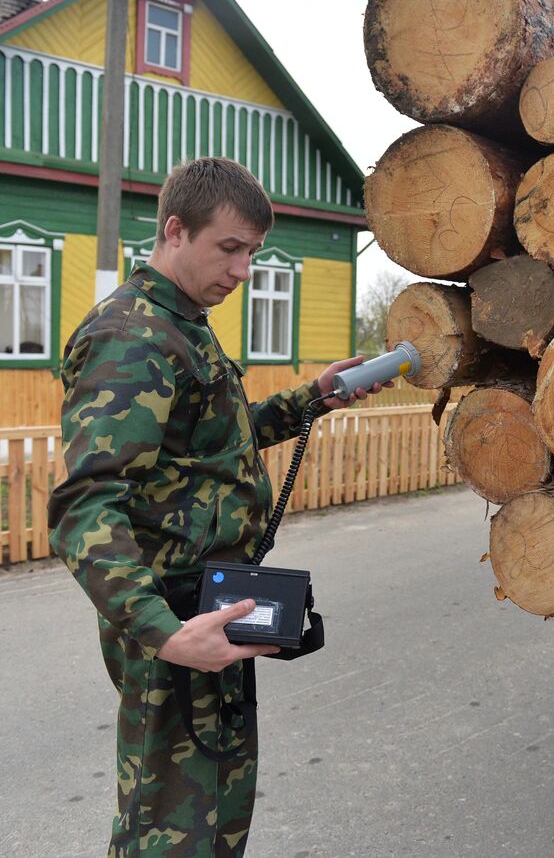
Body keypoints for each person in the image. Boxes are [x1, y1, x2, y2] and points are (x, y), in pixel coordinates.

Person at [48, 157, 386, 856]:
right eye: (229, 249)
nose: (242, 270)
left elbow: (209, 447)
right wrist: (165, 634)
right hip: (172, 616)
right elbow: (87, 505)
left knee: (215, 812)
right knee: (168, 827)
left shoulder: (183, 322)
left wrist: (314, 396)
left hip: (211, 607)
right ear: (176, 231)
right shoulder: (132, 336)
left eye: (253, 253)